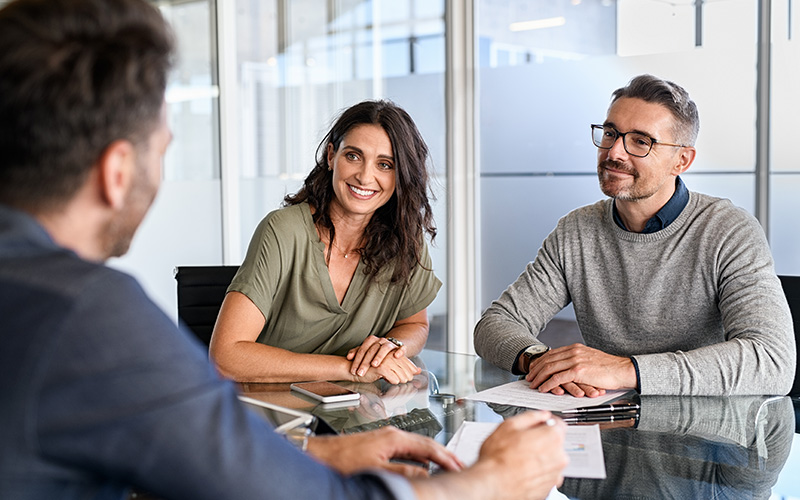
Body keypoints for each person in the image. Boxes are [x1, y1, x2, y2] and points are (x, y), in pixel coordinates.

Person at [0, 0, 568, 499]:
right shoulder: (89, 318)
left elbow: (192, 459)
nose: (366, 174)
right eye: (165, 146)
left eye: (386, 164)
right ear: (118, 171)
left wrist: (321, 451)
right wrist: (489, 482)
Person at [474, 74, 796, 398]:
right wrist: (541, 361)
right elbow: (494, 325)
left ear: (681, 160)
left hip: (706, 436)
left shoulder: (728, 231)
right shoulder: (575, 231)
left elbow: (771, 361)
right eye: (610, 133)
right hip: (605, 427)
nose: (614, 152)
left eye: (641, 141)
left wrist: (624, 370)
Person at [210, 100, 441, 384]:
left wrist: (391, 346)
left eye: (385, 164)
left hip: (354, 415)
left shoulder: (406, 238)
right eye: (353, 156)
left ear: (401, 174)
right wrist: (350, 370)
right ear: (331, 156)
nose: (365, 176)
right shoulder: (283, 231)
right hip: (270, 413)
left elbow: (414, 323)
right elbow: (226, 357)